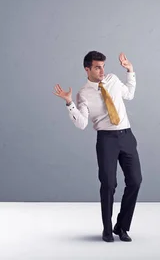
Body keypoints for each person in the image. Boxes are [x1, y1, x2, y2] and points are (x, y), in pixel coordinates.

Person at [53, 51, 142, 243]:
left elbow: (130, 94)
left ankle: (122, 227)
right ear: (87, 69)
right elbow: (82, 123)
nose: (102, 71)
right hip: (106, 140)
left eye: (103, 66)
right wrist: (69, 103)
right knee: (108, 184)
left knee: (135, 181)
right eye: (97, 67)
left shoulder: (113, 79)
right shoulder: (83, 93)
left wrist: (130, 71)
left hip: (126, 135)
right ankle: (107, 229)